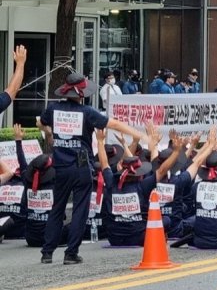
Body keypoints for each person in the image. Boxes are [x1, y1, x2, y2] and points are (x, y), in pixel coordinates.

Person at [39, 73, 149, 265]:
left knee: (57, 208)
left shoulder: (53, 108)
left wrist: (51, 133)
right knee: (80, 210)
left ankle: (47, 252)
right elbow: (112, 124)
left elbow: (41, 121)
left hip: (61, 166)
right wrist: (138, 134)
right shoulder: (87, 112)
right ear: (82, 94)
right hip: (81, 166)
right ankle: (71, 253)